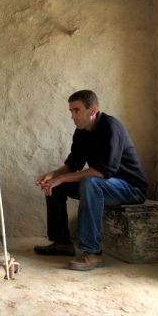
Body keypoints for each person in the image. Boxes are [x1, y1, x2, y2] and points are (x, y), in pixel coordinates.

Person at [34, 90, 147, 271]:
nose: (72, 116)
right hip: (103, 185)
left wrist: (62, 178)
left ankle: (92, 252)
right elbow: (73, 164)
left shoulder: (111, 127)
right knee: (56, 186)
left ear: (92, 110)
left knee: (90, 182)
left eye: (76, 110)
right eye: (71, 111)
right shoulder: (81, 132)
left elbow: (104, 171)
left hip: (130, 189)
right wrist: (54, 175)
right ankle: (62, 242)